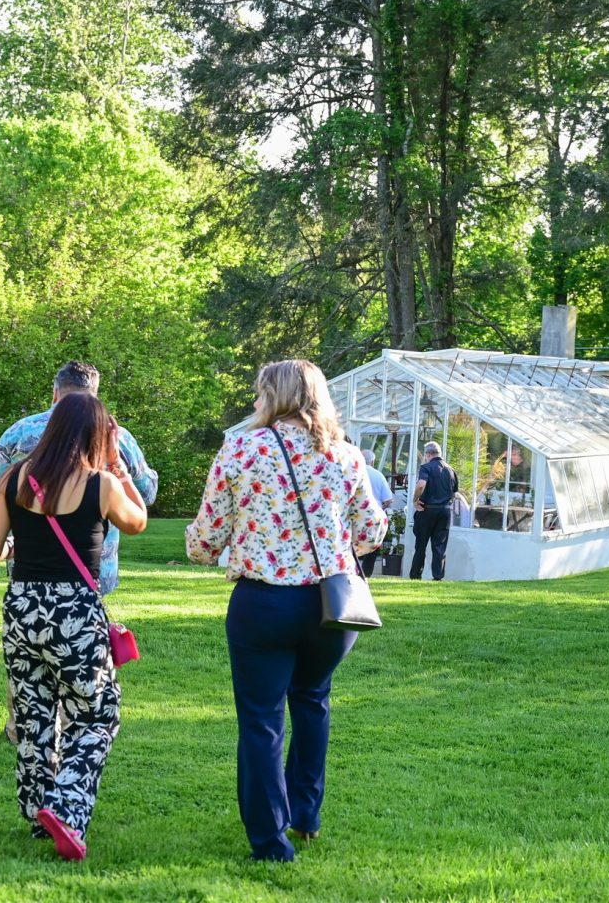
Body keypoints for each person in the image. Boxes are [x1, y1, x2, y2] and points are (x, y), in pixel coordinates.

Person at [186, 360, 387, 862]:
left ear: (273, 397)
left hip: (264, 602)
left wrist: (215, 543)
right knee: (313, 700)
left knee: (261, 720)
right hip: (331, 605)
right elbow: (372, 532)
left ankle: (270, 841)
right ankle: (306, 816)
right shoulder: (345, 455)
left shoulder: (241, 449)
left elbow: (205, 540)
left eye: (259, 394)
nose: (255, 402)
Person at [0, 392, 147, 862]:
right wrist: (119, 468)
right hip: (73, 613)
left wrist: (23, 545)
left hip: (23, 608)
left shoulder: (16, 480)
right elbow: (138, 523)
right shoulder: (102, 485)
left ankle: (37, 811)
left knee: (33, 714)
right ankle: (67, 808)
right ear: (96, 437)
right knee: (97, 713)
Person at [0, 361, 158, 742]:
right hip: (90, 573)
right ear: (95, 396)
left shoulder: (20, 434)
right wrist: (117, 465)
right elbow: (144, 500)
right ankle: (70, 727)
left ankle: (24, 724)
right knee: (82, 661)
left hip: (28, 574)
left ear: (54, 392)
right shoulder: (118, 437)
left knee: (30, 656)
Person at [409, 441, 458, 581]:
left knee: (421, 544)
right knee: (439, 545)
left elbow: (421, 485)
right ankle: (438, 576)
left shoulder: (426, 467)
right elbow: (454, 493)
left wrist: (415, 500)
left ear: (428, 454)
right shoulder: (451, 470)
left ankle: (416, 575)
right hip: (445, 511)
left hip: (427, 509)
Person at [358, 447, 395, 576]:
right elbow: (389, 499)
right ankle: (366, 574)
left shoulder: (354, 471)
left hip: (356, 514)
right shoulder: (378, 475)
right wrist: (382, 506)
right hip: (373, 516)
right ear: (372, 462)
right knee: (372, 548)